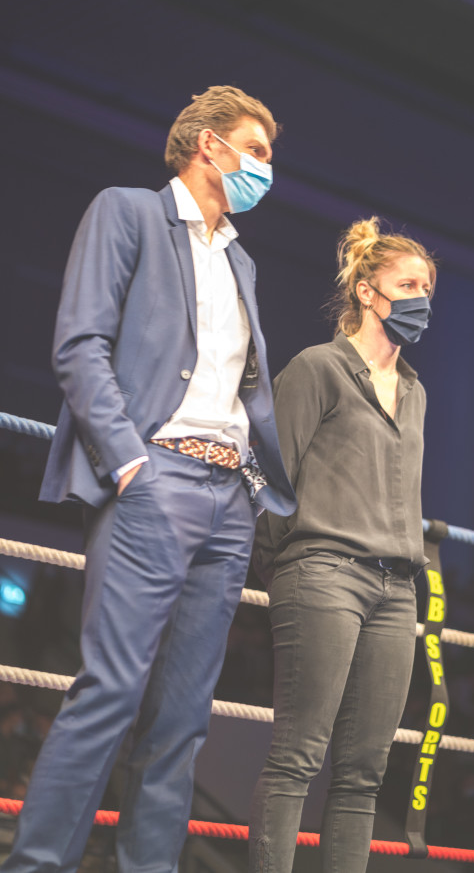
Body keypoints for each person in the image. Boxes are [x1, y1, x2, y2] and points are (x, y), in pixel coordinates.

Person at [2, 85, 295, 873]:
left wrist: (259, 486)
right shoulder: (127, 211)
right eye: (257, 152)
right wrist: (131, 460)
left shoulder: (241, 259)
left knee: (183, 719)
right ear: (210, 146)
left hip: (228, 497)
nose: (268, 170)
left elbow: (242, 389)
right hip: (153, 479)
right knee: (109, 694)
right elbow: (80, 345)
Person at [248, 217, 436, 873]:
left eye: (427, 287)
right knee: (299, 754)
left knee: (364, 773)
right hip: (323, 570)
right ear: (365, 290)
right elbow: (273, 476)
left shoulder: (415, 392)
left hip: (395, 587)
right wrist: (284, 570)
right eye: (406, 284)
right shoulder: (317, 368)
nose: (420, 298)